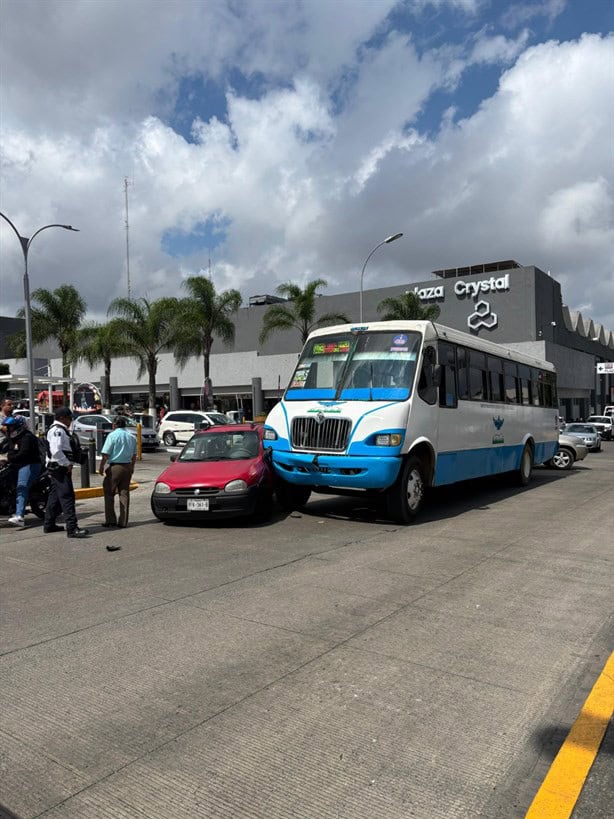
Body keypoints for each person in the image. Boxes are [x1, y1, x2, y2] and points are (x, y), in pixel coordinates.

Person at [44, 407, 90, 538]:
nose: (71, 420)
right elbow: (56, 451)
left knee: (55, 497)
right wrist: (67, 464)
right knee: (67, 497)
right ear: (62, 418)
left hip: (58, 468)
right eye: (69, 418)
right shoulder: (57, 431)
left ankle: (49, 524)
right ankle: (72, 528)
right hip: (60, 468)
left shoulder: (61, 430)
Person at [2, 415, 42, 527]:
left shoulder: (27, 437)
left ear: (17, 427)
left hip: (30, 465)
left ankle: (20, 516)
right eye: (7, 427)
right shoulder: (12, 437)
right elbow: (3, 447)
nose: (8, 429)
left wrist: (9, 459)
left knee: (21, 486)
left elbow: (24, 453)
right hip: (16, 464)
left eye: (10, 427)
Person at [98, 415, 137, 528]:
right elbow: (134, 456)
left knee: (109, 492)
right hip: (127, 466)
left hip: (115, 467)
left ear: (114, 425)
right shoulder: (131, 436)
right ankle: (123, 521)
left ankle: (111, 520)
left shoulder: (112, 435)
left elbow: (106, 454)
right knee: (124, 493)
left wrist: (101, 467)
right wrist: (132, 467)